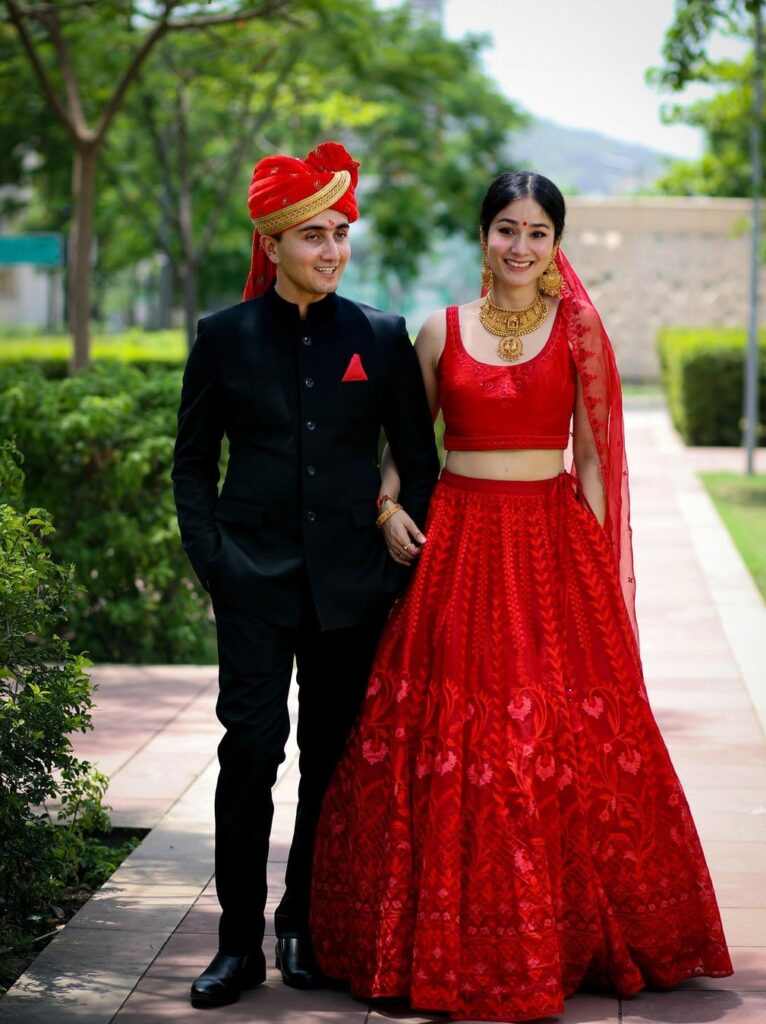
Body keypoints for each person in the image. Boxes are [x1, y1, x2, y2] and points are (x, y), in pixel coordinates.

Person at [310, 171, 733, 1021]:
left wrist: (597, 559)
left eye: (538, 232)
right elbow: (410, 449)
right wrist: (388, 505)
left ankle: (565, 932)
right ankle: (443, 935)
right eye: (507, 228)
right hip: (460, 542)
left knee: (554, 731)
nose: (520, 246)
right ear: (483, 235)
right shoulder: (440, 331)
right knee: (451, 733)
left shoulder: (579, 329)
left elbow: (592, 456)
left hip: (550, 540)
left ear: (555, 242)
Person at [172, 142, 440, 1010]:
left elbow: (417, 457)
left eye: (340, 235)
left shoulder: (380, 336)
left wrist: (390, 529)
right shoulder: (222, 338)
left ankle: (304, 925)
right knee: (250, 752)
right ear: (275, 242)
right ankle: (236, 944)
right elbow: (190, 464)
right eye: (314, 236)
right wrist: (213, 561)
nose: (332, 250)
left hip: (352, 590)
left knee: (330, 759)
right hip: (251, 581)